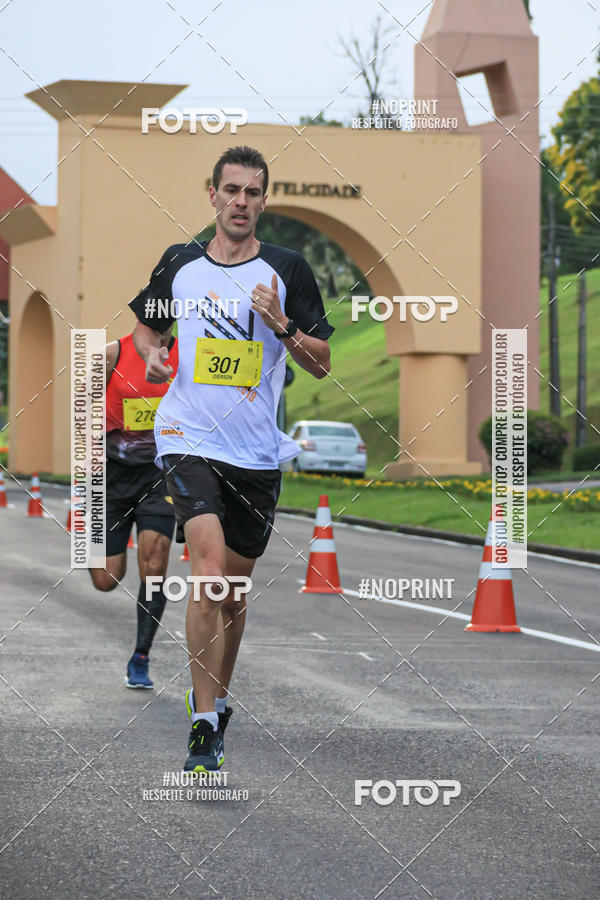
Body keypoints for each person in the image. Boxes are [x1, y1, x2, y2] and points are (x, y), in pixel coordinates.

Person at [129, 145, 333, 772]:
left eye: (253, 192)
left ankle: (218, 699)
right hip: (187, 436)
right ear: (211, 195)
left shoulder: (288, 269)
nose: (241, 201)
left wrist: (281, 326)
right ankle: (201, 717)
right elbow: (145, 330)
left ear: (263, 201)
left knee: (234, 594)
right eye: (231, 190)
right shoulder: (180, 264)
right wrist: (154, 357)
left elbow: (321, 362)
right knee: (209, 570)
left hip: (255, 453)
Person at [89, 329, 178, 689]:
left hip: (160, 475)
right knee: (105, 580)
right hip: (110, 474)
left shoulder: (187, 354)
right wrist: (88, 482)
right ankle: (91, 539)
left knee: (154, 564)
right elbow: (83, 413)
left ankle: (141, 655)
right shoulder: (111, 354)